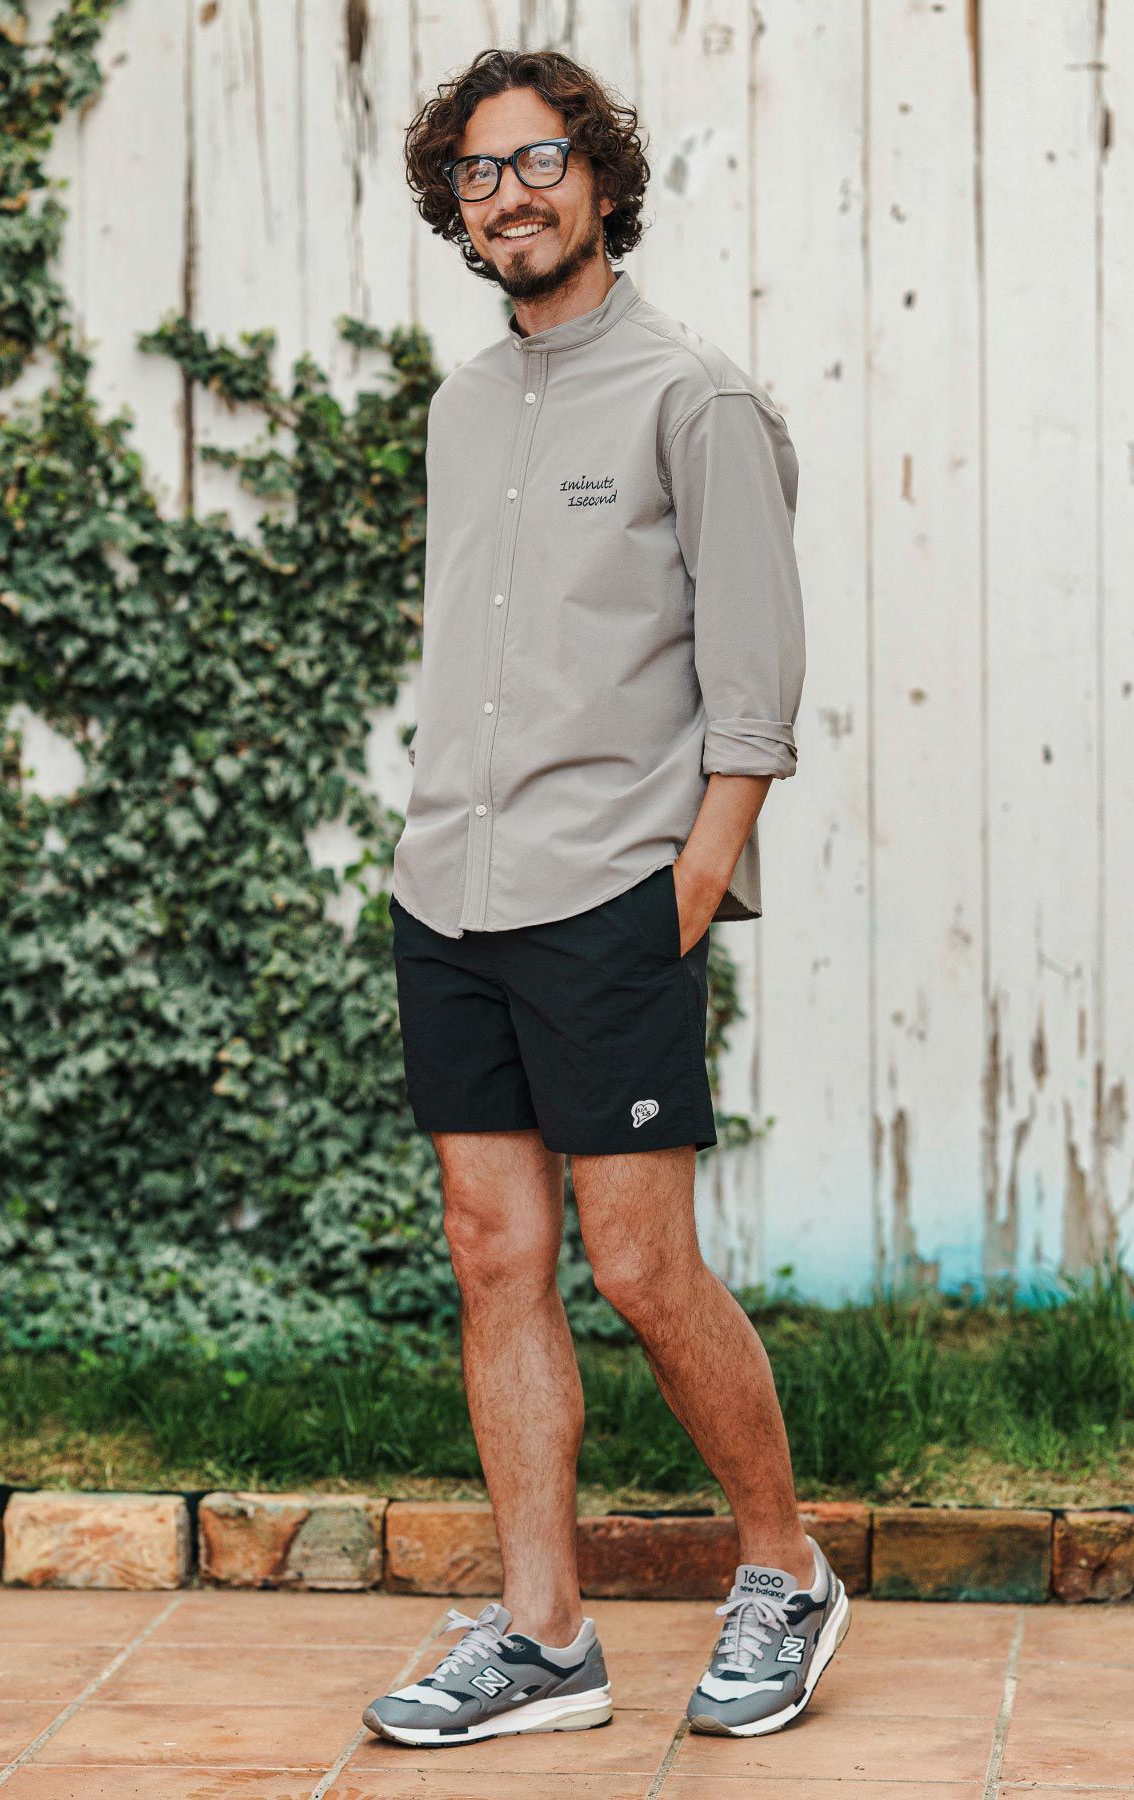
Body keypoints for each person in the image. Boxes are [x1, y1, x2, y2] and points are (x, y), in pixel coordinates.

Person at [364, 46, 848, 1748]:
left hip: (612, 897)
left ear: (601, 178)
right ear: (456, 207)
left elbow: (756, 677)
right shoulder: (461, 408)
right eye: (479, 171)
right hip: (452, 894)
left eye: (541, 159)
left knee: (642, 1268)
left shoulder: (694, 398)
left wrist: (691, 881)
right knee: (496, 1257)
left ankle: (785, 1570)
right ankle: (543, 1635)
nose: (511, 192)